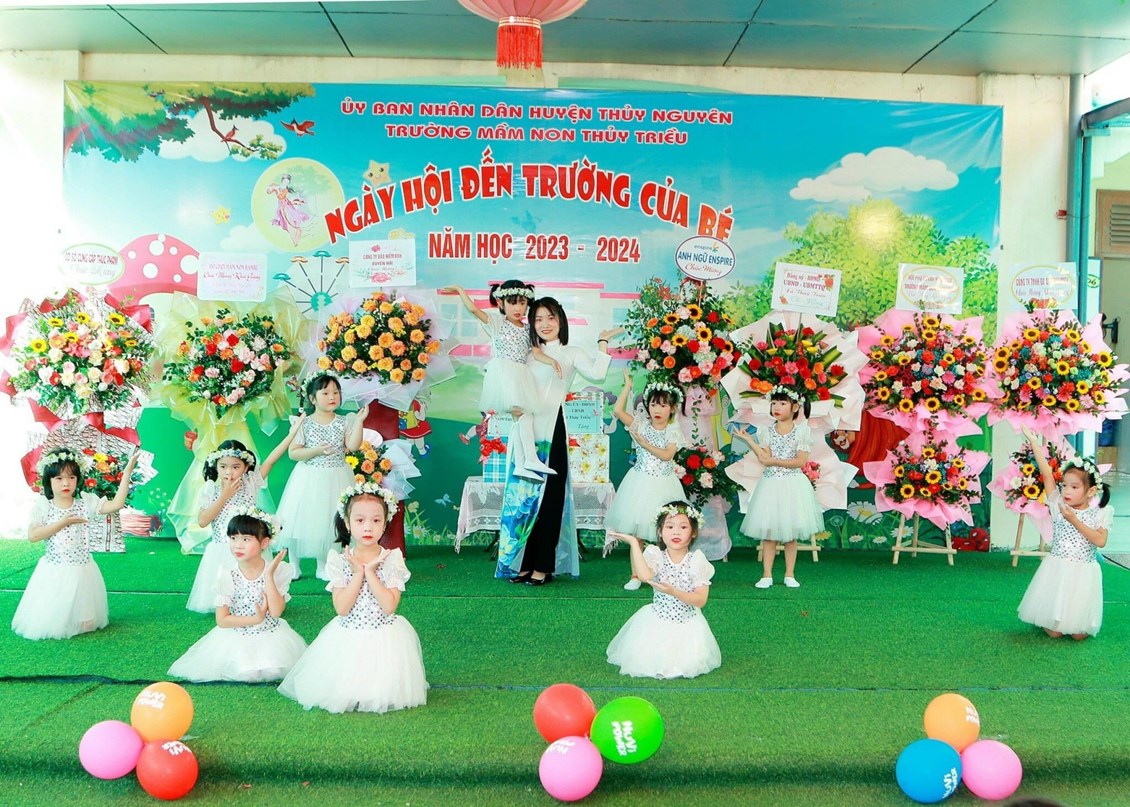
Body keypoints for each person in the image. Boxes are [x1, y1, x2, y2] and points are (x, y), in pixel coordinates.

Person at [278, 483, 427, 713]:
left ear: (385, 523)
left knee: (379, 692)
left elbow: (389, 606)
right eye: (360, 520)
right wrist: (358, 573)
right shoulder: (338, 560)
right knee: (343, 691)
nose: (368, 527)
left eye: (376, 520)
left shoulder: (393, 558)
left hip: (384, 635)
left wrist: (371, 573)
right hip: (347, 633)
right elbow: (342, 608)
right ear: (347, 523)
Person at [502, 297, 618, 584]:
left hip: (553, 429)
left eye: (550, 318)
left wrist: (602, 342)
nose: (545, 324)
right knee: (525, 499)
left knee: (550, 501)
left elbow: (598, 374)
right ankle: (522, 563)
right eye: (538, 319)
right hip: (525, 431)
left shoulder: (571, 353)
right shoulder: (526, 353)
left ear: (561, 321)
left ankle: (543, 566)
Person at [12, 448, 137, 640]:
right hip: (55, 569)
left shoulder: (85, 502)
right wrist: (62, 522)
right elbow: (33, 536)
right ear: (49, 481)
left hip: (82, 568)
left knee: (87, 624)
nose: (66, 483)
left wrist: (126, 473)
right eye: (59, 478)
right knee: (54, 621)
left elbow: (116, 505)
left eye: (71, 477)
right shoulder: (44, 506)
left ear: (77, 479)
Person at [168, 508, 305, 682]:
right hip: (238, 636)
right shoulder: (228, 575)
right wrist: (255, 619)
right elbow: (222, 620)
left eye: (246, 539)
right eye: (233, 538)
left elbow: (277, 612)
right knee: (247, 674)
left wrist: (269, 576)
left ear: (264, 543)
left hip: (271, 634)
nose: (237, 545)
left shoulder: (278, 571)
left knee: (273, 672)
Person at [443, 281, 560, 480]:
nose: (518, 308)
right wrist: (460, 290)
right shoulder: (497, 323)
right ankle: (529, 459)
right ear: (500, 303)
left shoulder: (528, 329)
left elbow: (537, 352)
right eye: (512, 303)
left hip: (521, 376)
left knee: (522, 418)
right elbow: (474, 309)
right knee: (522, 416)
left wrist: (551, 361)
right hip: (504, 375)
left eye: (522, 303)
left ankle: (522, 464)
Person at [188, 427, 299, 613]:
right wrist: (224, 495)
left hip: (249, 549)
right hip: (221, 549)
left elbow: (271, 459)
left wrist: (292, 433)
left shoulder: (251, 483)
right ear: (216, 466)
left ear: (246, 467)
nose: (229, 472)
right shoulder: (211, 489)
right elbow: (203, 521)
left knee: (252, 596)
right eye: (223, 466)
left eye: (236, 467)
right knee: (225, 595)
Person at [606, 501, 721, 679]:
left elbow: (700, 600)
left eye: (683, 527)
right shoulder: (656, 555)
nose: (676, 532)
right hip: (656, 622)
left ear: (693, 532)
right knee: (647, 661)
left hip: (687, 625)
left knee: (685, 664)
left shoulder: (697, 561)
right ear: (660, 531)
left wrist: (674, 592)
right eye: (669, 526)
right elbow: (644, 576)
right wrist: (634, 544)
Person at [1018, 427, 1110, 639]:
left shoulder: (1100, 513)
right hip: (1058, 569)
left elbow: (1100, 540)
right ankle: (1050, 617)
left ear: (1091, 491)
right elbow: (1047, 475)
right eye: (1064, 485)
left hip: (1084, 573)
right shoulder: (1058, 504)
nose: (1066, 491)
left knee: (1079, 634)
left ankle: (1072, 619)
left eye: (1074, 487)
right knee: (1055, 632)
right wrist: (1034, 442)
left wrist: (1074, 520)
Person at [274, 371, 367, 581]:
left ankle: (323, 565)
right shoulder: (303, 423)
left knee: (329, 522)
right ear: (312, 398)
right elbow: (294, 453)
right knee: (300, 520)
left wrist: (360, 421)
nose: (332, 397)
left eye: (336, 392)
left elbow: (353, 446)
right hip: (309, 478)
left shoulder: (344, 421)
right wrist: (315, 451)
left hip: (337, 475)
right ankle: (294, 565)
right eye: (325, 393)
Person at [732, 386, 823, 589]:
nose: (777, 407)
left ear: (795, 407)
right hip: (771, 485)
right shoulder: (766, 431)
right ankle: (767, 575)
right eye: (774, 403)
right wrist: (749, 441)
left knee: (791, 534)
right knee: (769, 533)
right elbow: (764, 458)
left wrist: (774, 461)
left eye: (782, 403)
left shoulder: (802, 431)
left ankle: (790, 574)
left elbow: (800, 461)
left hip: (793, 485)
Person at [604, 370, 687, 590]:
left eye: (663, 405)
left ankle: (665, 575)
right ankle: (635, 575)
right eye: (653, 404)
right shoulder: (640, 424)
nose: (657, 410)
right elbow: (618, 411)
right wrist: (627, 387)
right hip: (639, 482)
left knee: (666, 532)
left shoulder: (673, 430)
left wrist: (643, 443)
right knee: (636, 533)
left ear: (672, 408)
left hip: (664, 484)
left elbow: (667, 455)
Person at [266, 172, 312, 247]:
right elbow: (268, 192)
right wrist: (271, 188)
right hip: (281, 206)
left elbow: (280, 196)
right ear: (282, 180)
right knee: (286, 222)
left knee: (290, 220)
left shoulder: (285, 189)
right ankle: (295, 237)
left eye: (287, 182)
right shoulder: (276, 185)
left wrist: (276, 189)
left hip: (286, 205)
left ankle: (297, 235)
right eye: (285, 181)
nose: (286, 183)